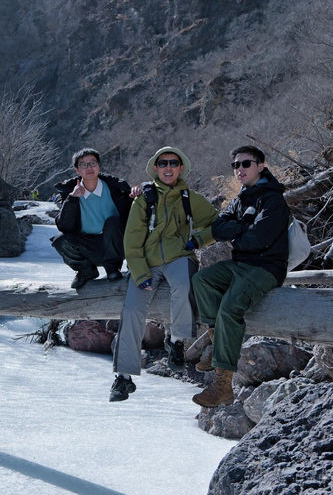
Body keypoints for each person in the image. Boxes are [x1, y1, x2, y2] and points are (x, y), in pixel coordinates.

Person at [109, 146, 218, 402]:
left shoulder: (190, 198)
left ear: (181, 168)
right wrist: (139, 271)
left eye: (173, 163)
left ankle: (177, 341)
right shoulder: (143, 199)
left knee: (184, 285)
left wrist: (198, 240)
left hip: (179, 256)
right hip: (146, 262)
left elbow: (218, 223)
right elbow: (132, 240)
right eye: (163, 163)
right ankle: (123, 377)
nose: (168, 167)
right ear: (156, 169)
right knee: (133, 309)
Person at [191, 145, 290, 408]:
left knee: (230, 308)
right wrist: (243, 228)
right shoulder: (241, 198)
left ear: (260, 166)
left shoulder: (273, 200)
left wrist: (237, 232)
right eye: (235, 165)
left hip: (266, 268)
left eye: (246, 164)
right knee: (202, 281)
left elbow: (260, 238)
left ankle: (223, 384)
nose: (239, 169)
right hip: (241, 264)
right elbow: (218, 226)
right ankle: (215, 344)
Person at [53, 148, 132, 289]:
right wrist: (72, 199)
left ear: (99, 166)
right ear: (77, 170)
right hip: (88, 244)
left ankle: (112, 268)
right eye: (84, 164)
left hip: (116, 242)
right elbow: (64, 226)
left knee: (112, 222)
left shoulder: (116, 188)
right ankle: (86, 271)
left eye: (92, 163)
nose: (89, 167)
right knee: (60, 240)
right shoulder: (69, 192)